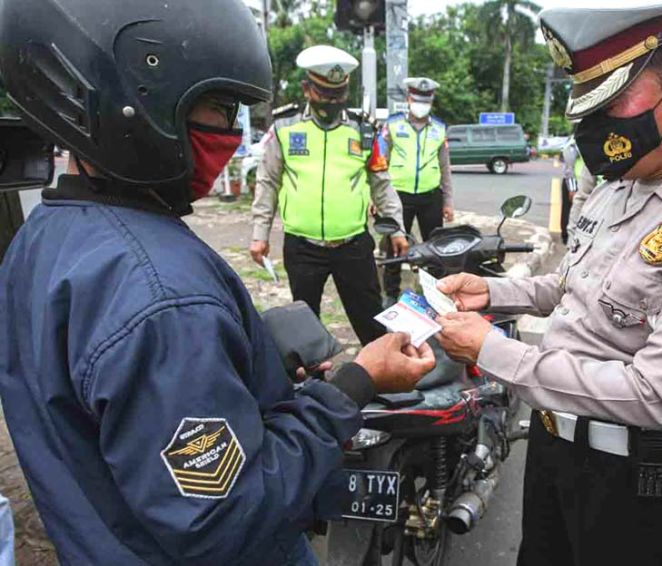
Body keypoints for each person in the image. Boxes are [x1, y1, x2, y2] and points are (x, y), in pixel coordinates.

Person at [0, 1, 435, 564]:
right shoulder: (165, 301)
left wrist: (242, 372)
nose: (230, 132)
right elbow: (227, 514)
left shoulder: (42, 237)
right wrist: (353, 385)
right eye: (219, 107)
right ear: (139, 103)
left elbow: (119, 412)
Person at [434, 1, 662, 564]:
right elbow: (573, 286)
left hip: (629, 475)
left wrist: (495, 352)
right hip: (551, 445)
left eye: (614, 102)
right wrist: (494, 293)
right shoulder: (621, 181)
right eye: (587, 106)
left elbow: (654, 394)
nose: (594, 128)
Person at [250, 45, 407, 345]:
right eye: (325, 94)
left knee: (371, 322)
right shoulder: (285, 128)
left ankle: (384, 380)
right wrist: (260, 234)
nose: (332, 102)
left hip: (353, 245)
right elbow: (267, 181)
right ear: (307, 89)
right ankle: (310, 383)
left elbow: (381, 184)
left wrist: (397, 227)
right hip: (302, 247)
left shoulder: (363, 132)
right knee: (304, 323)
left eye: (339, 95)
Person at [381, 77, 455, 305]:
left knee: (434, 247)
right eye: (417, 100)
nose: (421, 105)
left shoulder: (439, 129)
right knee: (394, 245)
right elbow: (380, 162)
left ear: (431, 102)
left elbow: (445, 167)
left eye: (426, 101)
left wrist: (448, 201)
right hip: (397, 196)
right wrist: (377, 197)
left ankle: (434, 293)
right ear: (408, 99)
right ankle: (390, 294)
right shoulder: (392, 125)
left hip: (430, 196)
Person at [560, 136, 597, 245]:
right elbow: (569, 168)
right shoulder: (573, 145)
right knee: (571, 210)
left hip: (588, 183)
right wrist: (572, 188)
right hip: (575, 182)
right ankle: (567, 237)